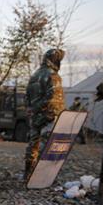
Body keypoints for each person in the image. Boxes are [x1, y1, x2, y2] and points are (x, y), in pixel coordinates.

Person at [24, 48, 65, 180]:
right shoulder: (53, 76)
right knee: (48, 145)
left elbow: (26, 97)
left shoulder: (35, 75)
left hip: (35, 116)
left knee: (33, 144)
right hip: (49, 115)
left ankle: (28, 173)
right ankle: (41, 176)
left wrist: (32, 109)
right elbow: (53, 97)